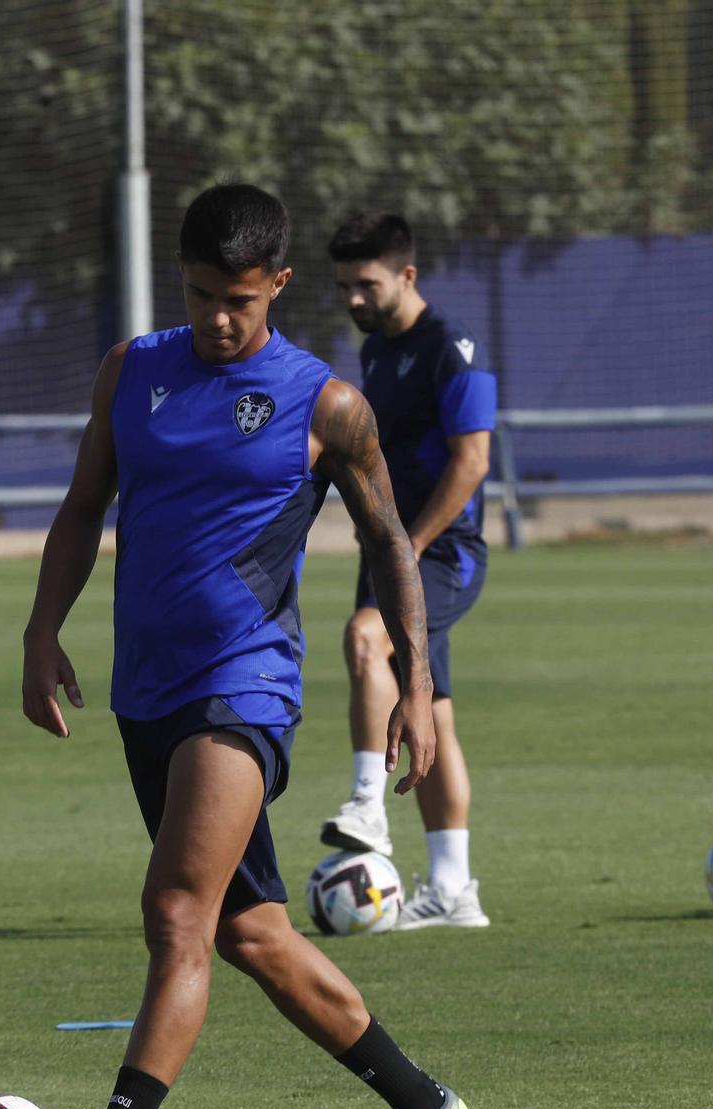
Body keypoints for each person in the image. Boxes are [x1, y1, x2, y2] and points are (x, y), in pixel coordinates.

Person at [21, 183, 473, 1109]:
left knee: (175, 911)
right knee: (252, 932)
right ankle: (424, 1102)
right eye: (197, 295)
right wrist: (41, 630)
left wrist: (409, 674)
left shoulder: (324, 403)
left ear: (275, 283)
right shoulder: (132, 370)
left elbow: (389, 540)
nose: (217, 318)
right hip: (144, 691)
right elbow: (83, 503)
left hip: (243, 682)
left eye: (237, 297)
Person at [320, 211, 497, 929]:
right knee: (435, 718)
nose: (354, 300)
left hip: (441, 551)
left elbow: (473, 461)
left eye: (367, 284)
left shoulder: (453, 352)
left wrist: (411, 549)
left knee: (365, 638)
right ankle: (455, 892)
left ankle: (368, 806)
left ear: (407, 275)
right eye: (344, 287)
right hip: (391, 552)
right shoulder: (374, 353)